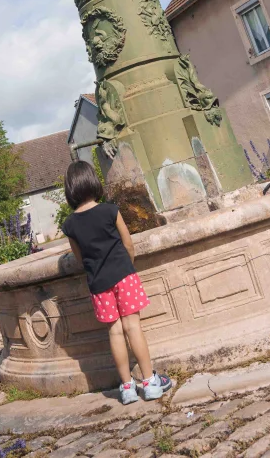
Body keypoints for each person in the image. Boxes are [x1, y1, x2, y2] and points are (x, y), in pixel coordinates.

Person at [61, 161, 171, 404]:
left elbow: (80, 258)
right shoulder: (110, 210)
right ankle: (150, 382)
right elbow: (128, 243)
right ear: (93, 181)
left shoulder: (70, 225)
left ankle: (127, 387)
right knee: (133, 327)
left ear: (71, 189)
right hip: (124, 275)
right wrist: (127, 265)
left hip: (99, 283)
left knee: (115, 332)